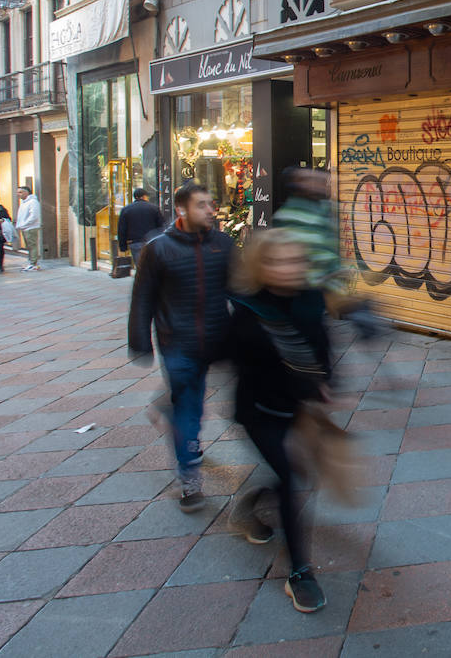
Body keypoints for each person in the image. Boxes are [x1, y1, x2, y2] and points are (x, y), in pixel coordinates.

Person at [224, 228, 332, 613]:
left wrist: (324, 383)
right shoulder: (249, 310)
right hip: (258, 411)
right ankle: (300, 571)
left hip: (295, 406)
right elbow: (232, 359)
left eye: (294, 260)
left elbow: (321, 344)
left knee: (293, 474)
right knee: (292, 477)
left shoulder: (309, 300)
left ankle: (249, 505)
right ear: (261, 265)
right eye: (276, 261)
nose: (287, 268)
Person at [128, 182, 234, 511]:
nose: (210, 211)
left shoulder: (224, 245)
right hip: (178, 344)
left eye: (211, 204)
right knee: (190, 407)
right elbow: (142, 298)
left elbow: (241, 290)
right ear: (181, 209)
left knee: (201, 402)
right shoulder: (158, 248)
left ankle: (167, 409)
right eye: (201, 205)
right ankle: (189, 475)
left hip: (217, 339)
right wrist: (140, 341)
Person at [274, 166, 381, 338]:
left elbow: (330, 249)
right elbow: (305, 257)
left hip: (321, 293)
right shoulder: (288, 216)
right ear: (298, 185)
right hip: (302, 294)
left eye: (323, 180)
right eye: (312, 180)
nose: (322, 183)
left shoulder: (326, 209)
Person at [118, 187, 165, 267]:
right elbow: (161, 226)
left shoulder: (126, 210)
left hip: (135, 243)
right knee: (153, 266)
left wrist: (123, 246)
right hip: (152, 242)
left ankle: (143, 278)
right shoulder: (154, 208)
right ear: (144, 196)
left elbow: (122, 229)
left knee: (140, 266)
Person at [15, 185, 42, 271]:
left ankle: (33, 264)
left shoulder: (33, 202)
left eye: (20, 192)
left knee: (32, 246)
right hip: (26, 228)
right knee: (29, 246)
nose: (18, 194)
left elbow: (34, 216)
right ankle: (31, 262)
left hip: (30, 228)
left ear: (26, 192)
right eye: (17, 192)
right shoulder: (24, 202)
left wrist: (24, 224)